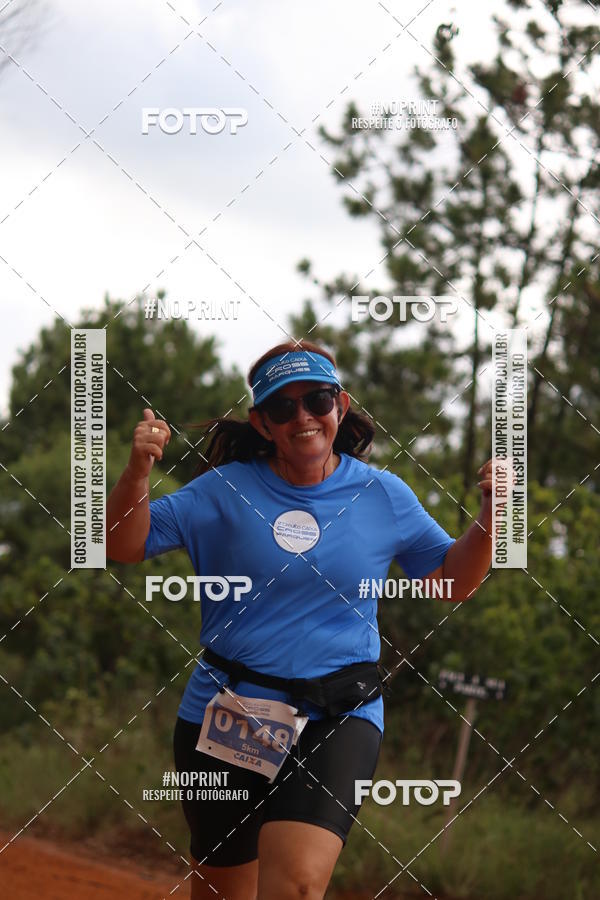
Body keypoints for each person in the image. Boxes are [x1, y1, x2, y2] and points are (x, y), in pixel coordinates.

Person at [106, 339, 493, 900]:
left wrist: (490, 516)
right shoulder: (223, 491)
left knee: (298, 887)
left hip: (340, 712)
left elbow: (453, 582)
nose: (303, 418)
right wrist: (137, 473)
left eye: (316, 400)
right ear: (262, 424)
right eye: (283, 409)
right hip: (229, 712)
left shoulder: (383, 494)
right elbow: (122, 543)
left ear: (340, 405)